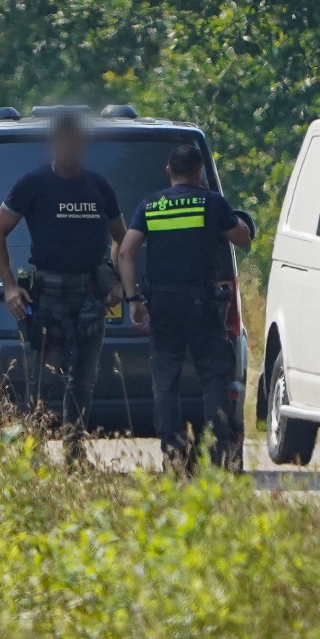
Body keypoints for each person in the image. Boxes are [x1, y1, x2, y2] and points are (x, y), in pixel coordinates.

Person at [0, 110, 125, 457]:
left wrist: (118, 281)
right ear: (53, 144)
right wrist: (9, 287)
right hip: (47, 294)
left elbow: (123, 237)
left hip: (90, 294)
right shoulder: (32, 184)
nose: (69, 147)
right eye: (63, 140)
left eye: (75, 140)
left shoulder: (98, 185)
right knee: (41, 379)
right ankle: (33, 453)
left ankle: (74, 452)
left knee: (84, 378)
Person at [116, 143, 254, 472]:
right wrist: (220, 205)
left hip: (163, 303)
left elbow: (125, 253)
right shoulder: (211, 203)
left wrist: (133, 299)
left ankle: (173, 452)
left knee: (166, 380)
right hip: (203, 304)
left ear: (169, 171)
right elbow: (243, 238)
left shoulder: (151, 206)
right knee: (214, 379)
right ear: (199, 171)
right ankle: (221, 453)